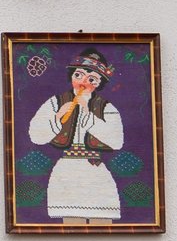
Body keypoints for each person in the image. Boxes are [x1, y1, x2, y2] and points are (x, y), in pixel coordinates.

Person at [29, 51, 125, 223]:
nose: (83, 82)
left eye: (91, 79)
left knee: (102, 221)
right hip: (66, 172)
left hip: (95, 172)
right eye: (79, 75)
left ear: (98, 83)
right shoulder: (56, 102)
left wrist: (88, 115)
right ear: (71, 76)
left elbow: (117, 141)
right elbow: (35, 136)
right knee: (72, 223)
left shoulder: (106, 107)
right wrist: (58, 116)